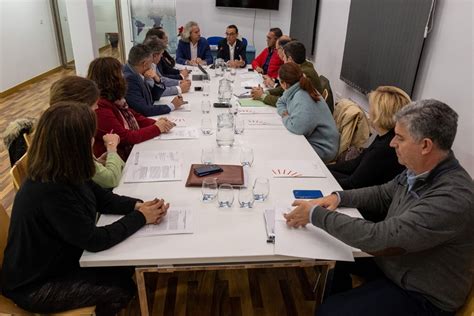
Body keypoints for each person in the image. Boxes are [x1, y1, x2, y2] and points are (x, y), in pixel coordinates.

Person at [284, 99, 474, 315]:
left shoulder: (452, 197)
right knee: (334, 254)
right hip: (398, 264)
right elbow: (383, 193)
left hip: (422, 294)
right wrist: (338, 197)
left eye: (400, 138)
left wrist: (314, 215)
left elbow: (381, 239)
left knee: (330, 311)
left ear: (425, 146)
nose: (392, 143)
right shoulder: (420, 169)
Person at [1, 102, 170, 315]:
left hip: (59, 260)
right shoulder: (50, 189)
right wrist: (140, 217)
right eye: (90, 136)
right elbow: (94, 240)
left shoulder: (65, 167)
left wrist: (140, 205)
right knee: (120, 288)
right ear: (76, 144)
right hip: (36, 284)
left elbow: (104, 199)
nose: (93, 140)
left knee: (124, 267)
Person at [87, 57, 175, 160]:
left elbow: (135, 116)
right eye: (120, 73)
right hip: (115, 161)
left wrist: (156, 123)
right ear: (111, 79)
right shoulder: (100, 108)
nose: (123, 77)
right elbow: (125, 137)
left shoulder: (115, 100)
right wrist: (157, 128)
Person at [328, 86, 411, 191]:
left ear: (379, 114)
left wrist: (324, 178)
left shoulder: (385, 148)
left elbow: (353, 184)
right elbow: (354, 164)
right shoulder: (385, 136)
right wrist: (324, 170)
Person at [49, 76, 125, 188]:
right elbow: (110, 180)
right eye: (94, 104)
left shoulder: (56, 128)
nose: (97, 107)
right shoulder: (71, 136)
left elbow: (86, 172)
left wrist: (97, 162)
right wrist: (112, 148)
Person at [276, 62, 339, 163]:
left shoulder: (302, 97)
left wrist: (285, 116)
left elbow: (297, 128)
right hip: (310, 140)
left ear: (284, 84)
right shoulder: (295, 88)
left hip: (323, 148)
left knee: (282, 154)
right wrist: (285, 113)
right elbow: (280, 102)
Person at [252, 41, 324, 108]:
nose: (283, 60)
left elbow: (287, 102)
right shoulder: (303, 67)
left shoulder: (303, 74)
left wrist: (262, 96)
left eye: (284, 57)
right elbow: (284, 89)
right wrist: (266, 92)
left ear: (290, 59)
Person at [123, 44, 185, 117]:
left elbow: (154, 97)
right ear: (144, 64)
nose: (152, 66)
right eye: (150, 63)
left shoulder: (136, 72)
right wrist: (172, 106)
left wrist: (157, 80)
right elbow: (144, 110)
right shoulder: (130, 79)